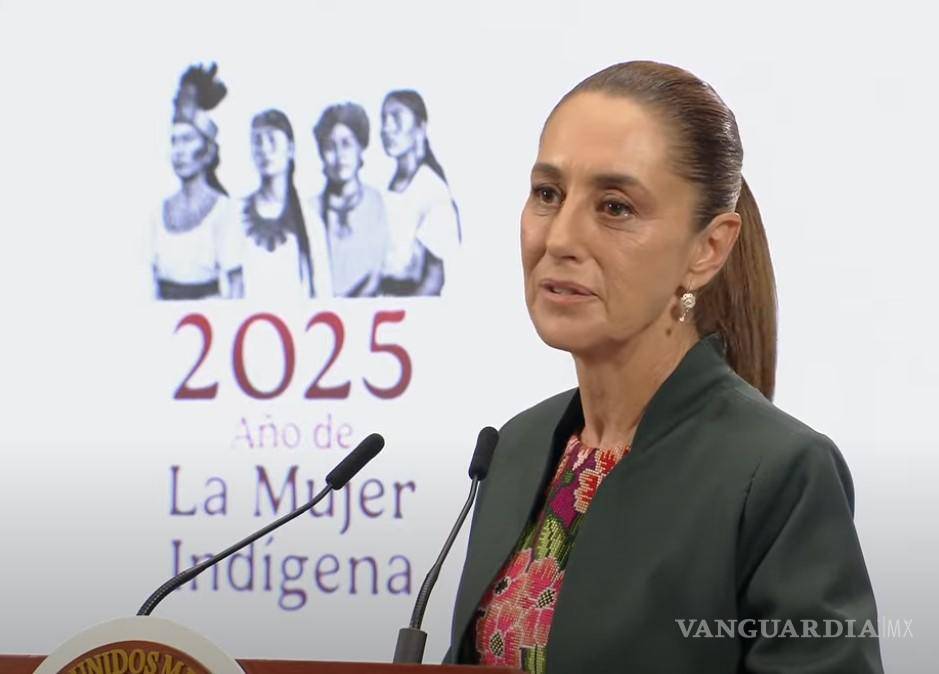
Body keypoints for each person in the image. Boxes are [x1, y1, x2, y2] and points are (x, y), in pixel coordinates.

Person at [446, 61, 884, 673]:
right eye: (548, 194)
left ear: (709, 248)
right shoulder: (515, 448)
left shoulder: (780, 474)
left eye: (615, 207)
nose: (560, 238)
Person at [150, 63, 238, 300]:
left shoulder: (224, 211)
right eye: (174, 141)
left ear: (208, 151)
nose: (179, 151)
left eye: (187, 140)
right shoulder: (157, 213)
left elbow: (236, 289)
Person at [228, 109, 332, 300]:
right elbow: (229, 287)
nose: (264, 149)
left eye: (272, 140)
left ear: (290, 149)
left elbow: (322, 292)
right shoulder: (234, 214)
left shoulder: (310, 221)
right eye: (257, 141)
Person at [378, 90, 460, 296]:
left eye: (396, 118)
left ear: (420, 127)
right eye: (384, 119)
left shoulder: (431, 190)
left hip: (411, 302)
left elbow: (434, 278)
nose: (387, 128)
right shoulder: (385, 186)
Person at [312, 103, 389, 297]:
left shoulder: (378, 203)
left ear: (360, 148)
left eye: (346, 144)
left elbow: (380, 269)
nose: (340, 156)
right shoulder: (309, 210)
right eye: (330, 147)